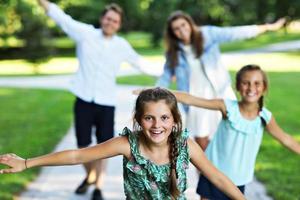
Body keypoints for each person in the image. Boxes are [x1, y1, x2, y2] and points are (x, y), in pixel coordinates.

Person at [0, 88, 246, 200]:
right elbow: (77, 156)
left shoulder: (185, 145)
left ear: (174, 120)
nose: (156, 125)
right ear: (139, 120)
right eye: (149, 118)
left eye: (164, 118)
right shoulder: (127, 145)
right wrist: (27, 162)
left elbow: (217, 177)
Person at [36, 1, 155, 199]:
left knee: (104, 146)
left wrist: (170, 72)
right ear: (102, 19)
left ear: (119, 25)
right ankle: (90, 175)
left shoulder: (121, 45)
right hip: (83, 99)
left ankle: (98, 186)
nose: (110, 22)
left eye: (115, 21)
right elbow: (61, 18)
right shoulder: (85, 33)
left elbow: (141, 63)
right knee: (83, 144)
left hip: (106, 102)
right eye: (108, 18)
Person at [156, 10, 286, 150]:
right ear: (172, 33)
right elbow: (165, 77)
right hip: (195, 99)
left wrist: (267, 27)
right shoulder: (174, 53)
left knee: (229, 132)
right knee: (201, 138)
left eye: (183, 25)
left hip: (219, 92)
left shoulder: (207, 34)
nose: (182, 30)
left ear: (190, 23)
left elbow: (235, 32)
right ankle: (205, 170)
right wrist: (152, 94)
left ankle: (223, 167)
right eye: (176, 28)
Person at [169, 65, 300, 200]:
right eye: (245, 83)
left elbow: (285, 139)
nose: (251, 88)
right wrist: (161, 92)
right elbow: (192, 99)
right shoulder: (227, 108)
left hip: (238, 181)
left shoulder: (264, 117)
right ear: (237, 86)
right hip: (213, 175)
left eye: (257, 83)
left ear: (264, 87)